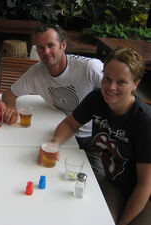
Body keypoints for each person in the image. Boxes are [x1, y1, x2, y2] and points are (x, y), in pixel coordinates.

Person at [45, 47, 151, 225]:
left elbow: (144, 186)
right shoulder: (97, 99)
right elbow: (69, 124)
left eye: (121, 82)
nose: (111, 87)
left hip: (145, 196)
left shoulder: (145, 122)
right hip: (114, 183)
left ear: (136, 84)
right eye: (107, 79)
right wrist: (55, 144)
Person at [2, 23, 104, 175]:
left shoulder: (89, 68)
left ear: (63, 45)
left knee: (97, 180)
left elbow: (117, 94)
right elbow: (9, 94)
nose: (46, 52)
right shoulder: (37, 72)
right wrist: (11, 107)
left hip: (92, 137)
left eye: (51, 45)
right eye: (40, 48)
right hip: (62, 132)